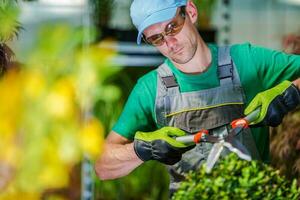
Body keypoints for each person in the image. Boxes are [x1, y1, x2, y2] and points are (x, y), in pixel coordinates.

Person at [95, 0, 300, 196]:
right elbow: (102, 167)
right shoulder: (149, 89)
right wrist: (143, 149)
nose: (169, 43)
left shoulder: (247, 61)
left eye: (172, 27)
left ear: (191, 12)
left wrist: (290, 94)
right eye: (157, 38)